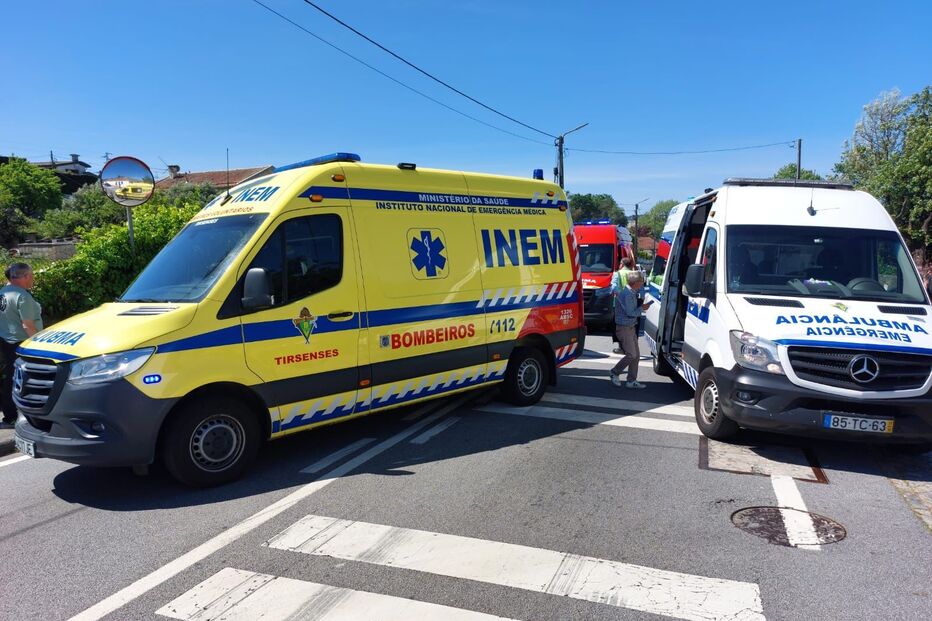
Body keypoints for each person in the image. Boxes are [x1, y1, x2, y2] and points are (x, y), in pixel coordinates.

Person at [1, 263, 43, 428]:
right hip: (23, 343)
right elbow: (27, 325)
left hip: (5, 342)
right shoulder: (22, 296)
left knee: (10, 378)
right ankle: (25, 416)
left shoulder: (3, 293)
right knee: (30, 380)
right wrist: (39, 347)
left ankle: (10, 416)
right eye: (31, 276)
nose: (32, 279)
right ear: (25, 277)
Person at [610, 271, 653, 389]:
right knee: (632, 354)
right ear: (636, 282)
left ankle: (631, 380)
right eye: (641, 281)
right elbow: (630, 313)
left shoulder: (630, 292)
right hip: (625, 328)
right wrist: (642, 308)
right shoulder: (628, 294)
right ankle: (615, 372)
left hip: (629, 327)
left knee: (636, 355)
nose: (642, 284)